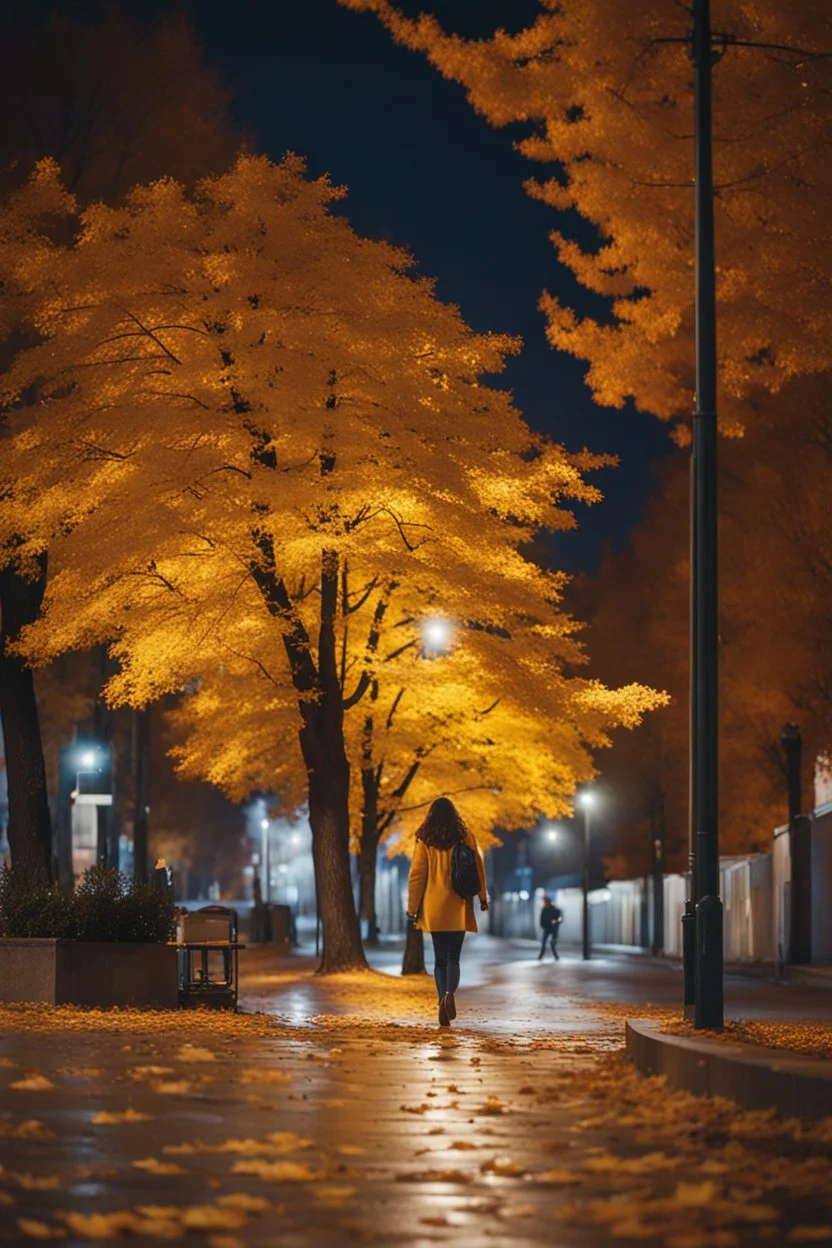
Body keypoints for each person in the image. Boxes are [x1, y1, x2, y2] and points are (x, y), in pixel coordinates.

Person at [406, 797, 488, 1027]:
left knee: (439, 960)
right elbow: (478, 865)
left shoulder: (424, 840)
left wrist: (412, 909)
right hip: (459, 904)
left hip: (434, 907)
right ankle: (450, 994)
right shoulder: (465, 836)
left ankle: (442, 998)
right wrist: (482, 897)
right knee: (454, 958)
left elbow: (416, 877)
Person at [538, 895, 563, 961]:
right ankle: (540, 956)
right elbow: (541, 919)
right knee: (543, 943)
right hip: (546, 928)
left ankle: (556, 956)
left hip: (554, 929)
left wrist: (556, 921)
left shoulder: (556, 910)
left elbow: (560, 919)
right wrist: (542, 925)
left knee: (552, 943)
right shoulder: (544, 910)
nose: (545, 904)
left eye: (546, 902)